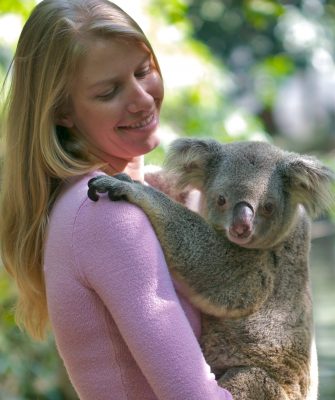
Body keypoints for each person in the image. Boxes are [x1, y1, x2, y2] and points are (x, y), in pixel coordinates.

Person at [0, 1, 233, 399]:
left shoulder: (106, 201)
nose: (142, 98)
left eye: (143, 71)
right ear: (62, 112)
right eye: (109, 91)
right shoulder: (103, 211)